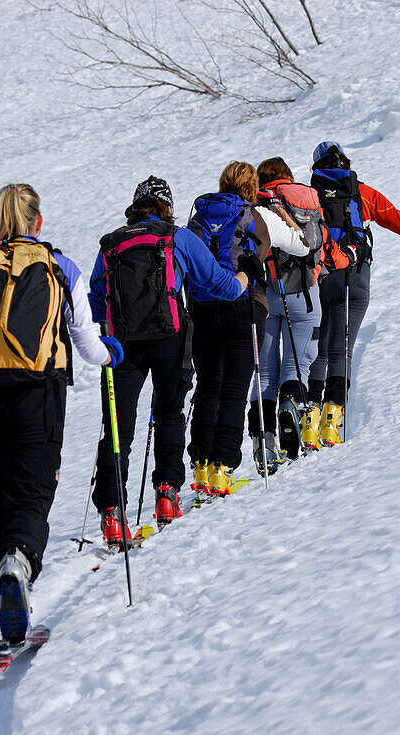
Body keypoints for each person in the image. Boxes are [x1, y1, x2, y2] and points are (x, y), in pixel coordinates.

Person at [0, 182, 121, 659]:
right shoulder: (59, 266)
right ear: (38, 221)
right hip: (37, 396)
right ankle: (15, 567)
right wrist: (110, 354)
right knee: (30, 495)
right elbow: (86, 340)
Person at [88, 176, 254, 542]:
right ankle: (167, 495)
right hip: (170, 338)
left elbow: (96, 300)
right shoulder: (177, 238)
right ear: (166, 206)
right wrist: (244, 278)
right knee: (168, 415)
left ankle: (113, 514)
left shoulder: (112, 245)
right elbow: (219, 285)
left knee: (119, 429)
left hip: (121, 345)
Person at [186, 161, 309, 494]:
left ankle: (201, 466)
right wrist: (281, 214)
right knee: (236, 387)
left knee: (209, 385)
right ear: (253, 187)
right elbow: (303, 245)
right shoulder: (259, 216)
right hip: (245, 305)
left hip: (202, 308)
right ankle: (223, 467)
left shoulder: (199, 216)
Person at [307, 141, 400, 446]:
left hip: (323, 276)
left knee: (320, 346)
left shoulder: (309, 195)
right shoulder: (362, 192)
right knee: (342, 348)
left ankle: (310, 418)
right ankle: (332, 422)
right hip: (357, 277)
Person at [250, 156, 324, 468]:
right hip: (304, 294)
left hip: (265, 296)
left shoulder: (257, 204)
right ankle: (291, 407)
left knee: (265, 372)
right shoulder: (307, 199)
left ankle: (263, 444)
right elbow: (317, 242)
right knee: (297, 367)